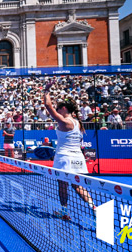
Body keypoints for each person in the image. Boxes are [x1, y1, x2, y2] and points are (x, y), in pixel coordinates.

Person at [43, 80, 95, 221]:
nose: (58, 110)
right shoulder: (78, 123)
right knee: (77, 185)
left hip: (64, 158)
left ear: (64, 108)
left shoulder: (65, 121)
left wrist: (46, 90)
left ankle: (64, 212)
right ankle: (93, 207)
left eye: (59, 108)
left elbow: (48, 106)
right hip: (78, 158)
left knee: (62, 185)